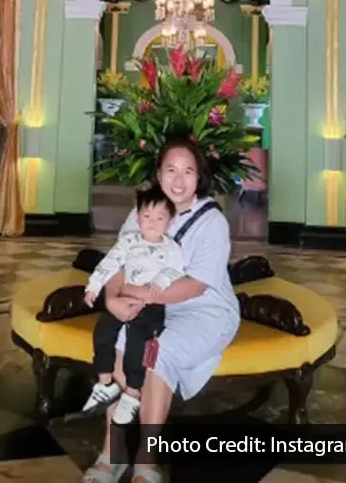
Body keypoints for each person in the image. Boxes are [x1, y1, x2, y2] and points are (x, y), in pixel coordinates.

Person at [83, 136, 240, 483]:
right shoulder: (144, 210)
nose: (179, 179)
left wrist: (136, 293)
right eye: (171, 170)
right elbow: (119, 260)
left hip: (205, 310)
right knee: (122, 346)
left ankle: (146, 461)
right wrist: (112, 298)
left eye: (188, 171)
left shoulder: (212, 222)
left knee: (157, 352)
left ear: (199, 178)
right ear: (158, 173)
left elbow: (195, 285)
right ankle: (112, 452)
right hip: (149, 303)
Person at [82, 184, 185, 424]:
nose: (152, 222)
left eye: (160, 217)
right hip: (124, 299)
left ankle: (132, 391)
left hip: (152, 305)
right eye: (146, 216)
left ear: (169, 222)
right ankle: (105, 381)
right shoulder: (129, 241)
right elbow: (110, 265)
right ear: (137, 217)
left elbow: (176, 271)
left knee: (137, 344)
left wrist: (162, 280)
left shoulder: (171, 248)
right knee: (104, 331)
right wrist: (93, 286)